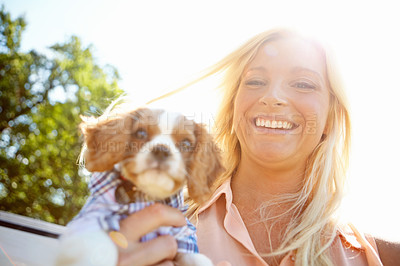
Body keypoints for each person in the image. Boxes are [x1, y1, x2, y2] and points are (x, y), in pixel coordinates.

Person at [113, 29, 400, 265]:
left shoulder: (381, 258)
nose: (272, 97)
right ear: (234, 108)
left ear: (330, 117)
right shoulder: (153, 224)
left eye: (302, 84)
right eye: (256, 81)